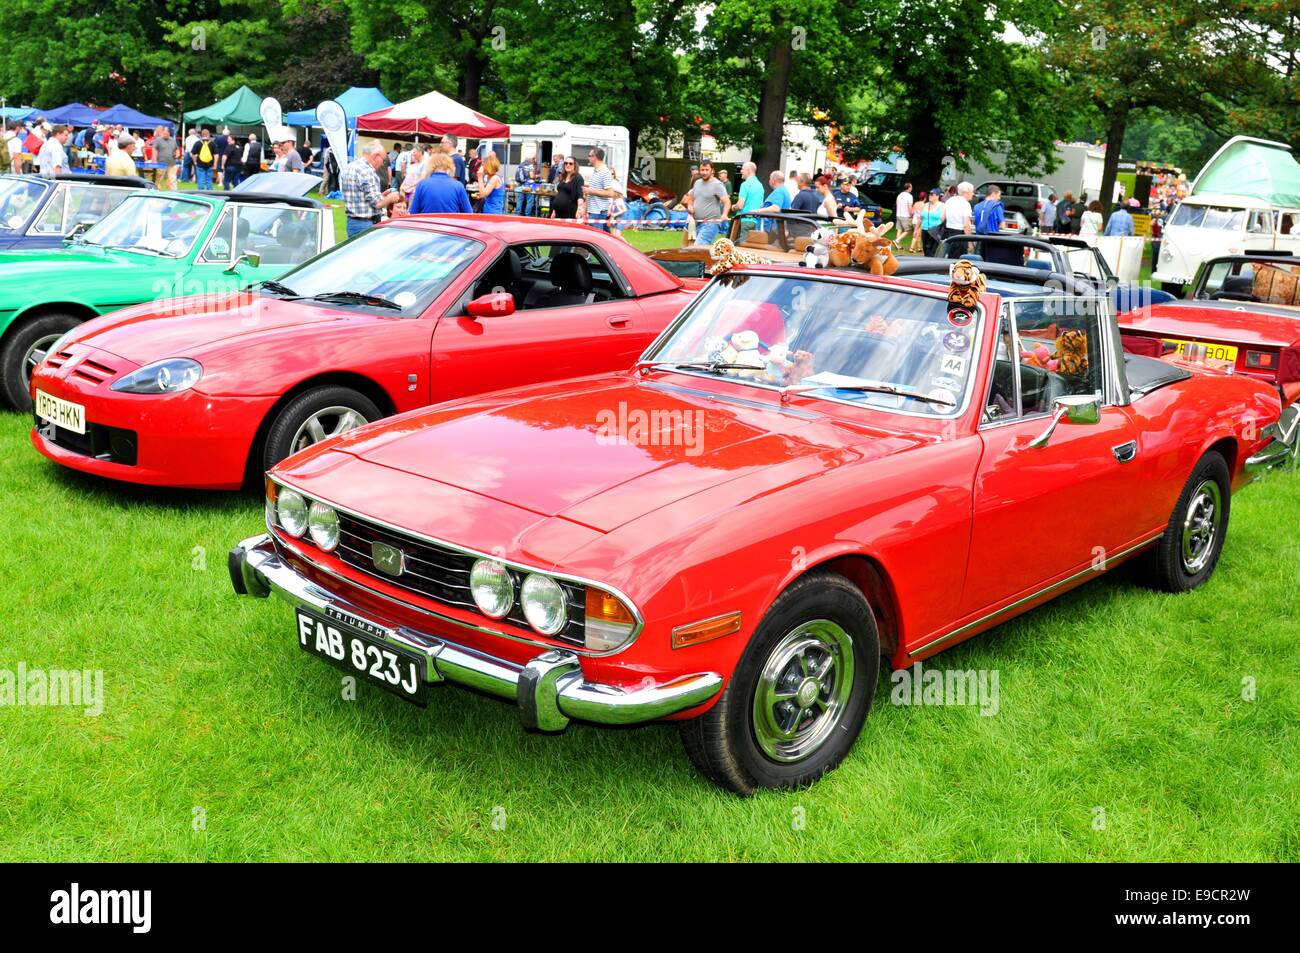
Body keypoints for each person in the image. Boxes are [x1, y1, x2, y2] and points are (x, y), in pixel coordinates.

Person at [340, 140, 402, 237]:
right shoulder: (367, 171)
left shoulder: (350, 167)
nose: (382, 164)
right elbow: (377, 204)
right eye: (383, 160)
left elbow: (362, 199)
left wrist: (382, 195)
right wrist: (390, 198)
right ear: (375, 156)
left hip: (352, 222)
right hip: (365, 224)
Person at [685, 160, 731, 245]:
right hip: (697, 223)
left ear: (712, 171)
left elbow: (727, 202)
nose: (704, 172)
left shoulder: (717, 184)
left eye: (707, 170)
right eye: (702, 170)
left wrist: (724, 214)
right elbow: (691, 199)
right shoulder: (697, 183)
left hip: (711, 223)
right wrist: (689, 206)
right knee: (700, 250)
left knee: (698, 246)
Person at [581, 146, 617, 232]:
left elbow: (610, 193)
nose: (588, 158)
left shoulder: (605, 172)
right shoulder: (595, 171)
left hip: (598, 212)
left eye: (590, 155)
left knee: (596, 239)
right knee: (606, 237)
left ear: (595, 157)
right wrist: (585, 210)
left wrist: (591, 191)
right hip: (593, 211)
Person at [734, 161, 765, 242]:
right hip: (755, 221)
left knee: (741, 247)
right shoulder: (760, 185)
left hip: (744, 220)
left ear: (748, 170)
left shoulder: (745, 184)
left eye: (742, 169)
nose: (741, 171)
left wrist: (733, 207)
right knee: (750, 246)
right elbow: (761, 205)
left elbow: (740, 205)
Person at [515, 151, 541, 217]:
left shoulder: (520, 165)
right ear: (531, 158)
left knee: (520, 200)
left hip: (521, 185)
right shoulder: (530, 166)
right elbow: (532, 176)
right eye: (534, 159)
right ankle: (527, 215)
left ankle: (517, 214)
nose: (534, 160)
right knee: (529, 201)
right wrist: (537, 176)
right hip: (529, 185)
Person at [920, 190, 945, 256]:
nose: (930, 196)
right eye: (929, 194)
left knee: (932, 251)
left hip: (935, 231)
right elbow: (921, 217)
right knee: (925, 249)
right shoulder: (925, 205)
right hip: (925, 230)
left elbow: (943, 219)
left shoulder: (942, 206)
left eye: (932, 194)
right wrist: (917, 229)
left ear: (937, 196)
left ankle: (931, 263)